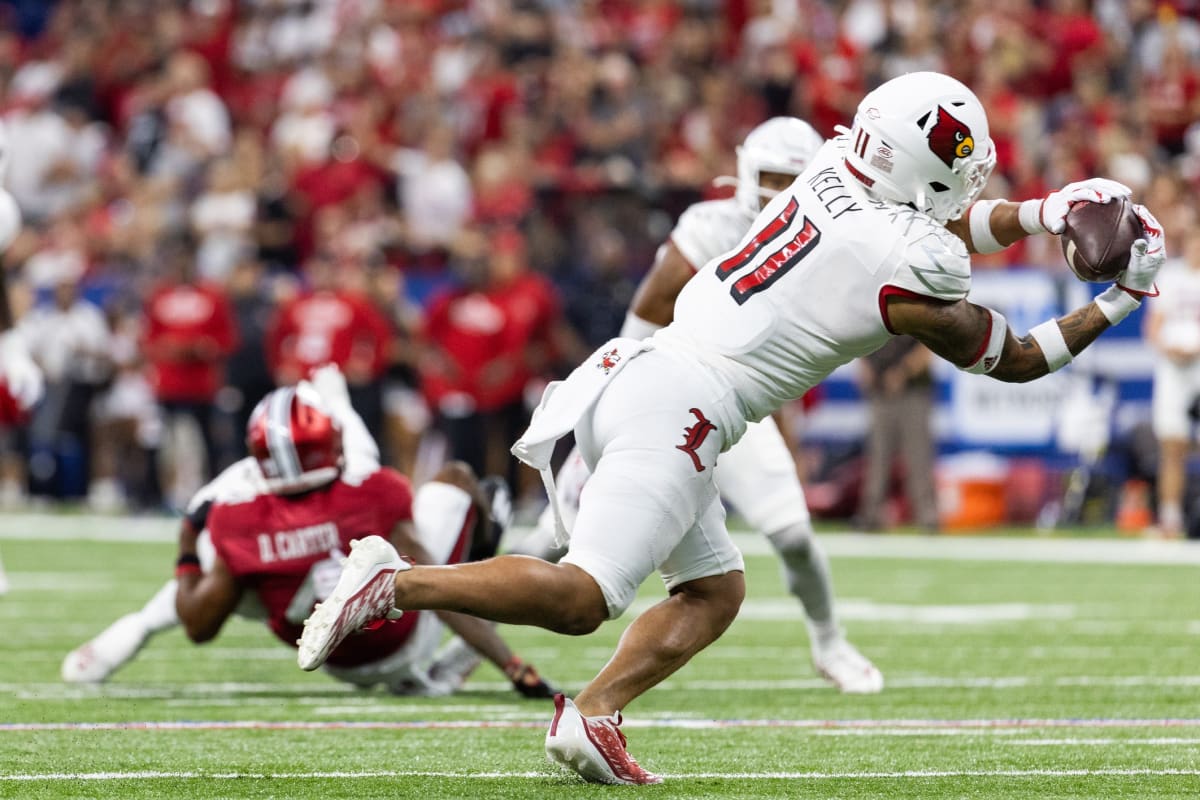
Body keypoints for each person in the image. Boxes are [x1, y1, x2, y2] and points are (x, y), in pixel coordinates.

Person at [296, 72, 1165, 784]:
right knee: (584, 598)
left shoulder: (833, 166)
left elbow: (934, 215)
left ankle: (592, 715)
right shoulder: (906, 258)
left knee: (715, 590)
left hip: (648, 375)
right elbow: (1014, 356)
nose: (977, 179)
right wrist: (1121, 299)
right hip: (685, 405)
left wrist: (1050, 213)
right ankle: (397, 582)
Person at [507, 117, 882, 694]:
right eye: (772, 178)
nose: (781, 193)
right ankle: (470, 648)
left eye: (793, 179)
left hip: (738, 407)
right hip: (666, 402)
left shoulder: (826, 238)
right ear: (745, 174)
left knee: (793, 533)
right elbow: (645, 315)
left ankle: (830, 642)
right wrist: (615, 398)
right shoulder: (711, 228)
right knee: (557, 542)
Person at [62, 366, 555, 699]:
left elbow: (199, 625)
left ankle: (126, 635)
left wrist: (190, 541)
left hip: (328, 660)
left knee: (229, 566)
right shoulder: (371, 489)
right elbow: (433, 583)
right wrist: (510, 663)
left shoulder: (239, 513)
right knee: (459, 485)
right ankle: (498, 548)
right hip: (401, 638)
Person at [1143, 227, 1200, 538]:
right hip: (1173, 366)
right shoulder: (1170, 277)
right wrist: (1167, 347)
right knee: (1171, 443)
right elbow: (1153, 325)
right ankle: (1171, 518)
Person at [855, 336, 939, 532]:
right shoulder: (873, 307)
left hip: (913, 391)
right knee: (877, 457)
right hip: (880, 390)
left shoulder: (920, 309)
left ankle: (927, 517)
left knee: (918, 457)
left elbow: (929, 345)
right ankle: (871, 515)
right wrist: (864, 366)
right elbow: (859, 337)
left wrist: (903, 372)